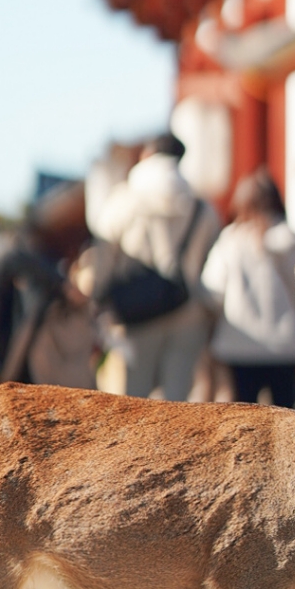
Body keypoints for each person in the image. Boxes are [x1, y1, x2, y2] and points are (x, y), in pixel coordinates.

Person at [86, 132, 220, 401]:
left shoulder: (124, 199)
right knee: (177, 403)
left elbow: (103, 255)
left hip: (137, 312)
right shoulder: (202, 208)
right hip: (187, 311)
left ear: (147, 155)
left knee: (133, 401)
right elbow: (211, 263)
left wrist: (98, 297)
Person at [201, 167, 295, 408]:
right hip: (288, 346)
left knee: (244, 420)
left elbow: (212, 292)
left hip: (239, 345)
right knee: (285, 420)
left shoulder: (231, 241)